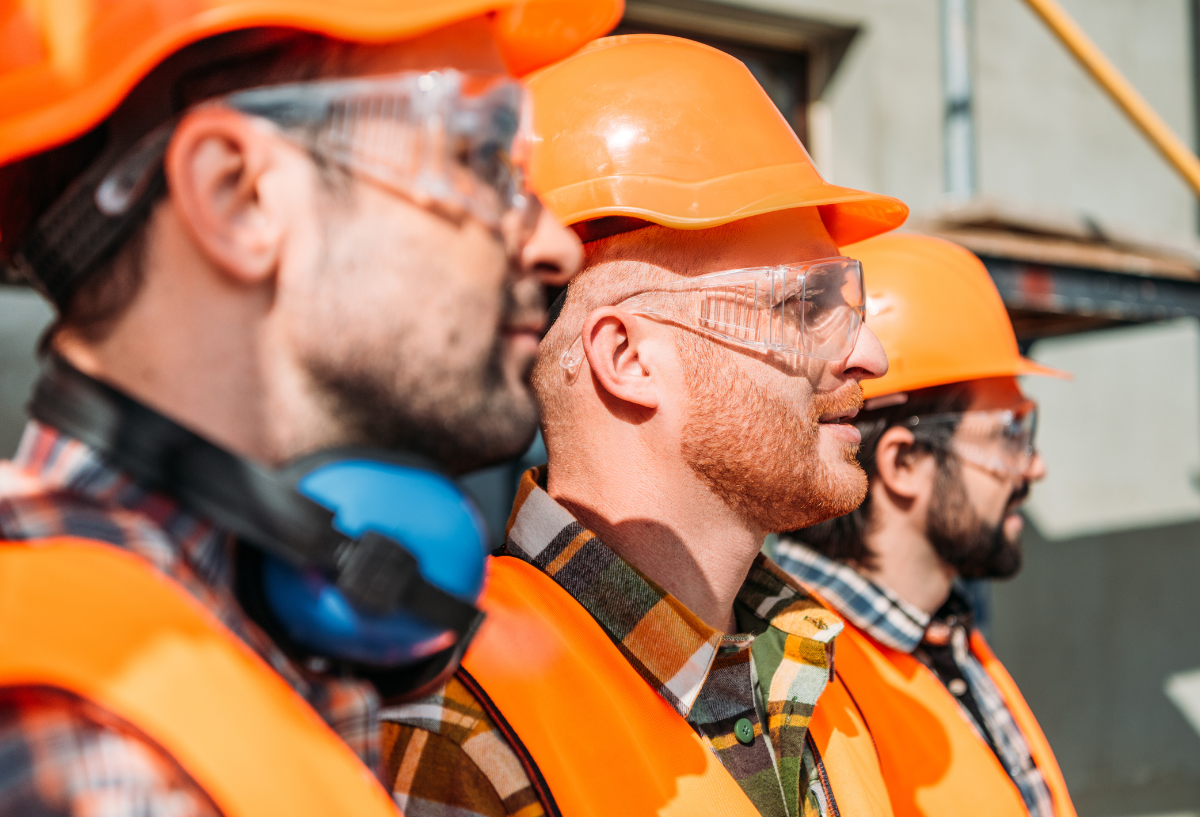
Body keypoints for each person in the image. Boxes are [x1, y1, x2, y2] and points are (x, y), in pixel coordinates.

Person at [0, 0, 620, 813]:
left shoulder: (241, 629)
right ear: (241, 193)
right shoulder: (82, 754)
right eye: (482, 158)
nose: (555, 244)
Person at [381, 34, 910, 817]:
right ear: (627, 356)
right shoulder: (462, 724)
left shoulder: (816, 672)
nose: (870, 354)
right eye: (807, 304)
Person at [775, 233, 1078, 817]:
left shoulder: (943, 636)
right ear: (904, 463)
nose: (1034, 466)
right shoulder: (798, 677)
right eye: (1011, 436)